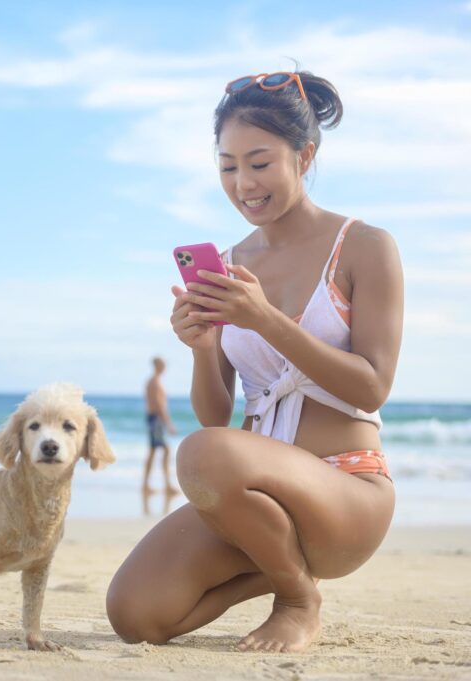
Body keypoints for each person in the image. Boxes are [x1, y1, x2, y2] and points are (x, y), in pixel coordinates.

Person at [106, 70, 402, 653]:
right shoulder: (231, 264)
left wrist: (265, 320)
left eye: (260, 163)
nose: (243, 183)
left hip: (346, 494)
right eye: (228, 166)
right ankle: (278, 565)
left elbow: (372, 388)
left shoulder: (366, 247)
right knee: (135, 613)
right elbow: (216, 417)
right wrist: (204, 347)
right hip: (256, 511)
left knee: (200, 454)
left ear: (304, 154)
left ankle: (297, 597)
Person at [143, 356, 178, 495]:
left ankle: (148, 485)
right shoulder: (155, 382)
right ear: (157, 365)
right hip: (156, 419)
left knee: (154, 451)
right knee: (165, 450)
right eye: (163, 364)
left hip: (153, 419)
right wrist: (168, 424)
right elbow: (159, 405)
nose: (165, 367)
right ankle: (166, 485)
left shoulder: (153, 381)